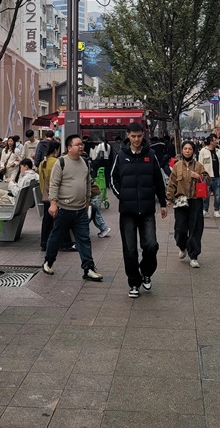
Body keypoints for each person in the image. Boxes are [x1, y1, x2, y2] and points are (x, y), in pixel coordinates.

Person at [110, 121, 167, 298]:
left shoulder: (151, 155)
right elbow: (113, 179)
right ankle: (134, 282)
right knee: (130, 249)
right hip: (127, 211)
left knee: (151, 245)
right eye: (133, 136)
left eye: (139, 136)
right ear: (128, 135)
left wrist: (163, 203)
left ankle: (146, 272)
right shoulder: (120, 155)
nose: (136, 139)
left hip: (147, 210)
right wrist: (122, 196)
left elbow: (158, 180)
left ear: (143, 136)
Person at [42, 134, 103, 282]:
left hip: (80, 210)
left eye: (81, 144)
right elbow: (54, 184)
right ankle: (48, 262)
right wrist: (53, 203)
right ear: (69, 148)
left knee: (84, 239)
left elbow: (87, 183)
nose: (81, 146)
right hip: (64, 209)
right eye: (77, 144)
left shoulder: (85, 162)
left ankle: (88, 268)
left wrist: (87, 200)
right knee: (56, 237)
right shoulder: (61, 163)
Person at [166, 140, 207, 267]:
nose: (187, 151)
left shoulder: (199, 166)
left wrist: (199, 176)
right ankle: (182, 246)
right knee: (180, 228)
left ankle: (193, 256)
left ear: (193, 151)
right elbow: (172, 183)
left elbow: (207, 180)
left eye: (190, 149)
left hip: (195, 201)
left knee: (195, 228)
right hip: (181, 201)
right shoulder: (177, 166)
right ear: (182, 150)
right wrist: (169, 198)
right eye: (185, 149)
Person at [198, 136, 220, 218]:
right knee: (205, 195)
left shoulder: (218, 151)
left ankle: (216, 210)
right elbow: (200, 163)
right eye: (215, 140)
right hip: (207, 177)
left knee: (217, 195)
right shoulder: (203, 151)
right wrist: (201, 174)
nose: (216, 141)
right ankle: (205, 210)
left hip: (217, 176)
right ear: (211, 142)